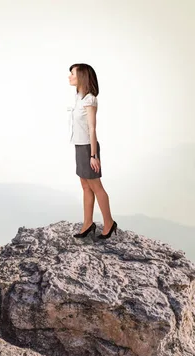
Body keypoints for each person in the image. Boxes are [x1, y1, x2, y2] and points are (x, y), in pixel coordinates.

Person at [68, 63, 117, 239]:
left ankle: (109, 223)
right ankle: (88, 223)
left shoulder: (89, 99)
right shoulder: (79, 98)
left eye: (72, 73)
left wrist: (93, 155)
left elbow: (92, 128)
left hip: (88, 147)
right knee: (85, 186)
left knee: (96, 186)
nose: (69, 77)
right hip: (79, 146)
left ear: (81, 76)